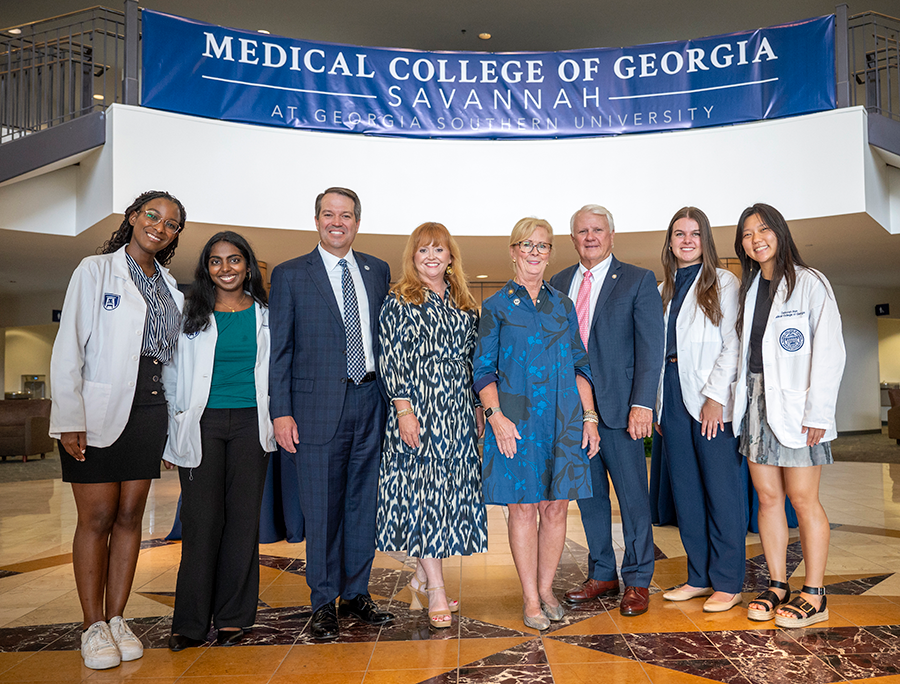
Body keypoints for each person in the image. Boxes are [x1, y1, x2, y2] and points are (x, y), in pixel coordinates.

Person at [49, 191, 186, 670]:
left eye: (171, 224)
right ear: (133, 217)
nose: (160, 227)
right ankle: (91, 626)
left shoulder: (172, 288)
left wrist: (174, 428)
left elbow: (171, 361)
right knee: (98, 517)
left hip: (150, 407)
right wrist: (69, 418)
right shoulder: (94, 270)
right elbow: (69, 346)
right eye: (153, 215)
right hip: (98, 406)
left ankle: (117, 618)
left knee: (131, 515)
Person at [268, 187, 394, 641]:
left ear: (357, 222)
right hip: (315, 409)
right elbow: (279, 351)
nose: (336, 222)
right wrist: (280, 412)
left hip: (370, 402)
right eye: (328, 214)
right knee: (321, 508)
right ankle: (323, 600)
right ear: (316, 220)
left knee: (363, 505)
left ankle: (356, 593)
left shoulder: (377, 270)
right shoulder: (289, 275)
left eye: (345, 215)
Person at [473, 217, 600, 631]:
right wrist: (495, 419)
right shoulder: (494, 307)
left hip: (562, 422)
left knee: (557, 507)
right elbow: (483, 371)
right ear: (512, 251)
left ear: (550, 253)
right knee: (524, 509)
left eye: (542, 245)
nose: (534, 251)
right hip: (515, 423)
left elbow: (581, 365)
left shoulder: (562, 305)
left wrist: (590, 418)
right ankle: (530, 597)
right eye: (526, 244)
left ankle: (547, 589)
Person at [732, 203, 845, 628]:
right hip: (756, 402)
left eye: (763, 230)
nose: (755, 239)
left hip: (799, 407)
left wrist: (819, 410)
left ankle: (814, 594)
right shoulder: (749, 288)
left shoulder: (810, 282)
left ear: (779, 232)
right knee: (768, 497)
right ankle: (778, 584)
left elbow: (830, 351)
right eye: (746, 234)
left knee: (802, 498)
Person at [162, 232, 276, 650]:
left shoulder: (266, 314)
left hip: (251, 424)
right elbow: (172, 376)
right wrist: (173, 434)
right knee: (201, 523)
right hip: (202, 425)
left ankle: (233, 618)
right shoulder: (190, 311)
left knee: (243, 524)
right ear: (206, 267)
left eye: (234, 260)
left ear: (248, 265)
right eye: (215, 261)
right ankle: (189, 624)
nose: (225, 268)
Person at [549, 205, 664, 617]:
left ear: (612, 235)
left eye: (597, 230)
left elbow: (651, 349)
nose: (590, 237)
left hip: (621, 411)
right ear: (573, 238)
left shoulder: (637, 280)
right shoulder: (558, 282)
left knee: (633, 499)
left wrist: (642, 404)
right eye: (582, 231)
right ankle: (603, 572)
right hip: (575, 413)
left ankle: (637, 580)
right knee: (591, 497)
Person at [376, 222, 488, 629]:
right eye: (423, 250)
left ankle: (422, 576)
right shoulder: (400, 300)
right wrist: (404, 410)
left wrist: (477, 404)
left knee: (450, 497)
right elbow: (390, 358)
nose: (431, 257)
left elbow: (476, 361)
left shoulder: (464, 302)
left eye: (438, 250)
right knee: (423, 497)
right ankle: (436, 588)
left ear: (450, 257)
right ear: (413, 257)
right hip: (418, 409)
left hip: (456, 410)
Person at [655, 207, 746, 613]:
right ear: (670, 241)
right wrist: (658, 406)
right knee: (686, 491)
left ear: (705, 240)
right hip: (671, 394)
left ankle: (728, 581)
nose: (686, 240)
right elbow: (657, 353)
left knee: (720, 491)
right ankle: (699, 577)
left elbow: (733, 344)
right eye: (679, 233)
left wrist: (715, 398)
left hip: (711, 399)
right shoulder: (663, 288)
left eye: (694, 233)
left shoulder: (725, 282)